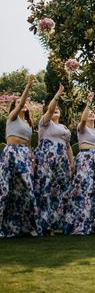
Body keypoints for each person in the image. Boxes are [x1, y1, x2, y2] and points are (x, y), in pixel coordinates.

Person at [64, 92, 95, 235]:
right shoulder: (82, 128)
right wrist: (88, 103)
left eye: (93, 113)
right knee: (84, 190)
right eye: (88, 113)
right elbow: (83, 119)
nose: (91, 114)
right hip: (85, 159)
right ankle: (80, 225)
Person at [0, 75, 39, 238]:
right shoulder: (12, 118)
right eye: (16, 104)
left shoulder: (29, 124)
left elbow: (29, 144)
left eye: (21, 104)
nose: (21, 105)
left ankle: (26, 227)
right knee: (5, 189)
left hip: (24, 155)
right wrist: (28, 87)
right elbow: (21, 102)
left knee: (26, 190)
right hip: (11, 152)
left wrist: (32, 158)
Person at [34, 84, 74, 235]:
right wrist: (58, 94)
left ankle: (62, 223)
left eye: (58, 110)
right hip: (47, 160)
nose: (56, 110)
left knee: (62, 192)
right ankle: (46, 225)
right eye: (53, 110)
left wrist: (71, 162)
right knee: (47, 190)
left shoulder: (64, 128)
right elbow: (51, 109)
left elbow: (68, 146)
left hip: (62, 161)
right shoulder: (45, 123)